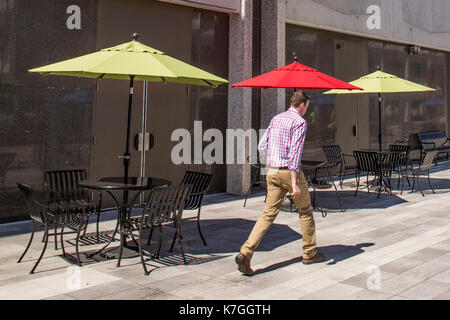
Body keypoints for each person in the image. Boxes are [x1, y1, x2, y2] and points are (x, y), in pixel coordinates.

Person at [235, 90, 325, 276]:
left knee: (267, 215)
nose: (306, 110)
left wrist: (272, 161)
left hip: (272, 170)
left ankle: (246, 252)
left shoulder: (276, 118)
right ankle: (309, 252)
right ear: (302, 105)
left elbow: (262, 146)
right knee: (305, 211)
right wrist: (294, 183)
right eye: (307, 106)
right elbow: (295, 153)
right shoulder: (299, 122)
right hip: (288, 171)